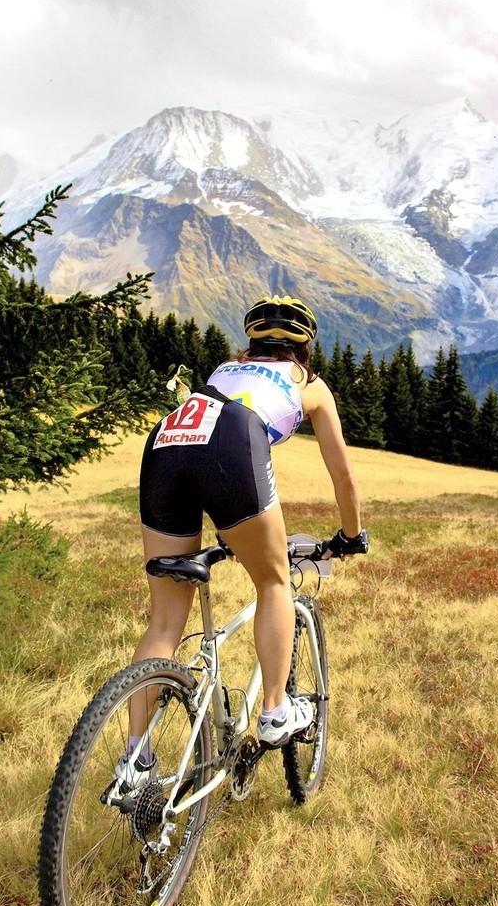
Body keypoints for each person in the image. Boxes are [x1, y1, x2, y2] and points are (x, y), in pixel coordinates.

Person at [115, 295, 368, 786]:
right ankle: (275, 710)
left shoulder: (223, 369)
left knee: (166, 618)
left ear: (251, 341)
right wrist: (351, 537)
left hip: (167, 439)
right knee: (274, 581)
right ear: (305, 347)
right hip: (230, 439)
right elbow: (343, 476)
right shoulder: (310, 385)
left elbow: (201, 451)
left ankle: (135, 758)